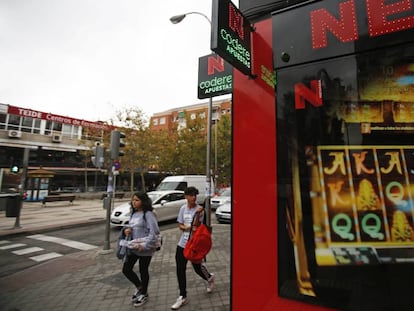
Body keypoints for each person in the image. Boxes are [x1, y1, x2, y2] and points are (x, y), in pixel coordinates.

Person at [171, 186, 215, 310]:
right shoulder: (183, 209)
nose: (193, 197)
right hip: (182, 243)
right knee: (180, 269)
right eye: (190, 195)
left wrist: (197, 215)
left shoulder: (200, 211)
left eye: (195, 195)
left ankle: (209, 278)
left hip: (195, 244)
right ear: (186, 197)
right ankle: (182, 296)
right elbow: (180, 225)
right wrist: (187, 228)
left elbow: (198, 228)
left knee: (197, 268)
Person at [120, 191, 160, 307]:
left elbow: (154, 233)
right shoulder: (134, 213)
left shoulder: (148, 214)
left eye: (137, 200)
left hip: (145, 248)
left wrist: (145, 246)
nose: (134, 202)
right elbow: (131, 226)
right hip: (133, 246)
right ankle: (139, 287)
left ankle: (144, 293)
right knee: (126, 269)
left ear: (143, 201)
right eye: (133, 200)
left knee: (143, 271)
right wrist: (127, 230)